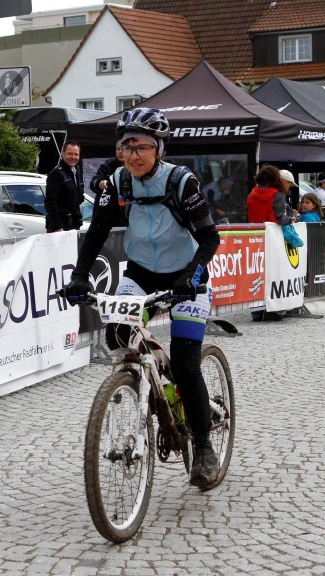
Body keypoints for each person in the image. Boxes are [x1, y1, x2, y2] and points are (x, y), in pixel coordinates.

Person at [61, 107, 222, 490]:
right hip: (142, 273)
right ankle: (150, 379)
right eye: (126, 146)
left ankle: (202, 446)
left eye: (142, 147)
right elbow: (96, 231)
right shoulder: (118, 182)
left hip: (188, 276)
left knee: (185, 363)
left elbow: (210, 238)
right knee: (118, 334)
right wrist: (80, 276)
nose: (133, 155)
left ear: (158, 149)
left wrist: (190, 276)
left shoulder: (182, 183)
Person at [45, 140, 83, 232]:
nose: (73, 157)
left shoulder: (76, 170)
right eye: (70, 154)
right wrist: (58, 227)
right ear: (63, 153)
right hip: (61, 227)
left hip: (73, 225)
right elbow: (50, 203)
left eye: (76, 154)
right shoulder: (56, 173)